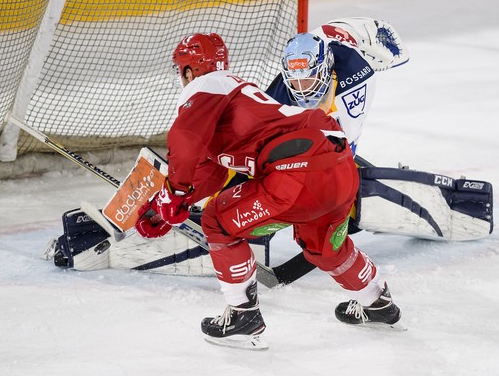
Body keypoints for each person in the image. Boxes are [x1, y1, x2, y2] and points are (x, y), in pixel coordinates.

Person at [135, 33, 402, 348]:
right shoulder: (236, 93)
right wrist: (166, 206)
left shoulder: (204, 87)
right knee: (323, 246)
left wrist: (174, 194)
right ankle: (377, 301)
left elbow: (185, 139)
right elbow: (210, 170)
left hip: (297, 170)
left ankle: (243, 315)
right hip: (339, 165)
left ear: (189, 69)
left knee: (218, 220)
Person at [267, 17, 409, 155]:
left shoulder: (355, 75)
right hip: (326, 39)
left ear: (324, 70)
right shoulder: (280, 91)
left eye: (308, 78)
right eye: (294, 79)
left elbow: (345, 151)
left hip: (355, 33)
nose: (301, 87)